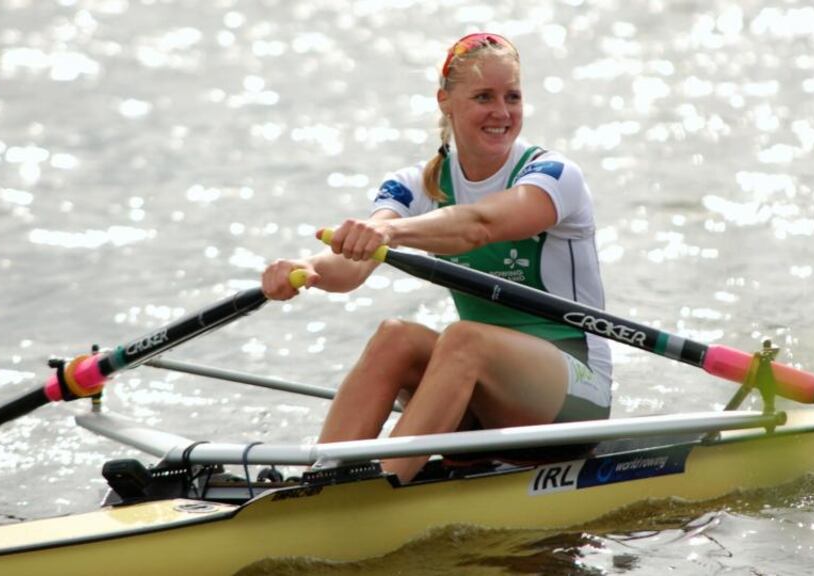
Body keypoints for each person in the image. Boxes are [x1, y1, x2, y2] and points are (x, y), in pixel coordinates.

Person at [261, 32, 612, 484]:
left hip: (573, 392)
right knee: (396, 337)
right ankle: (322, 479)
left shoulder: (552, 176)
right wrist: (305, 270)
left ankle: (381, 488)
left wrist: (390, 231)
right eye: (484, 97)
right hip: (484, 392)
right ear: (445, 101)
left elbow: (479, 225)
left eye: (513, 97)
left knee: (465, 339)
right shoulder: (417, 184)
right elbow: (355, 263)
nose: (502, 113)